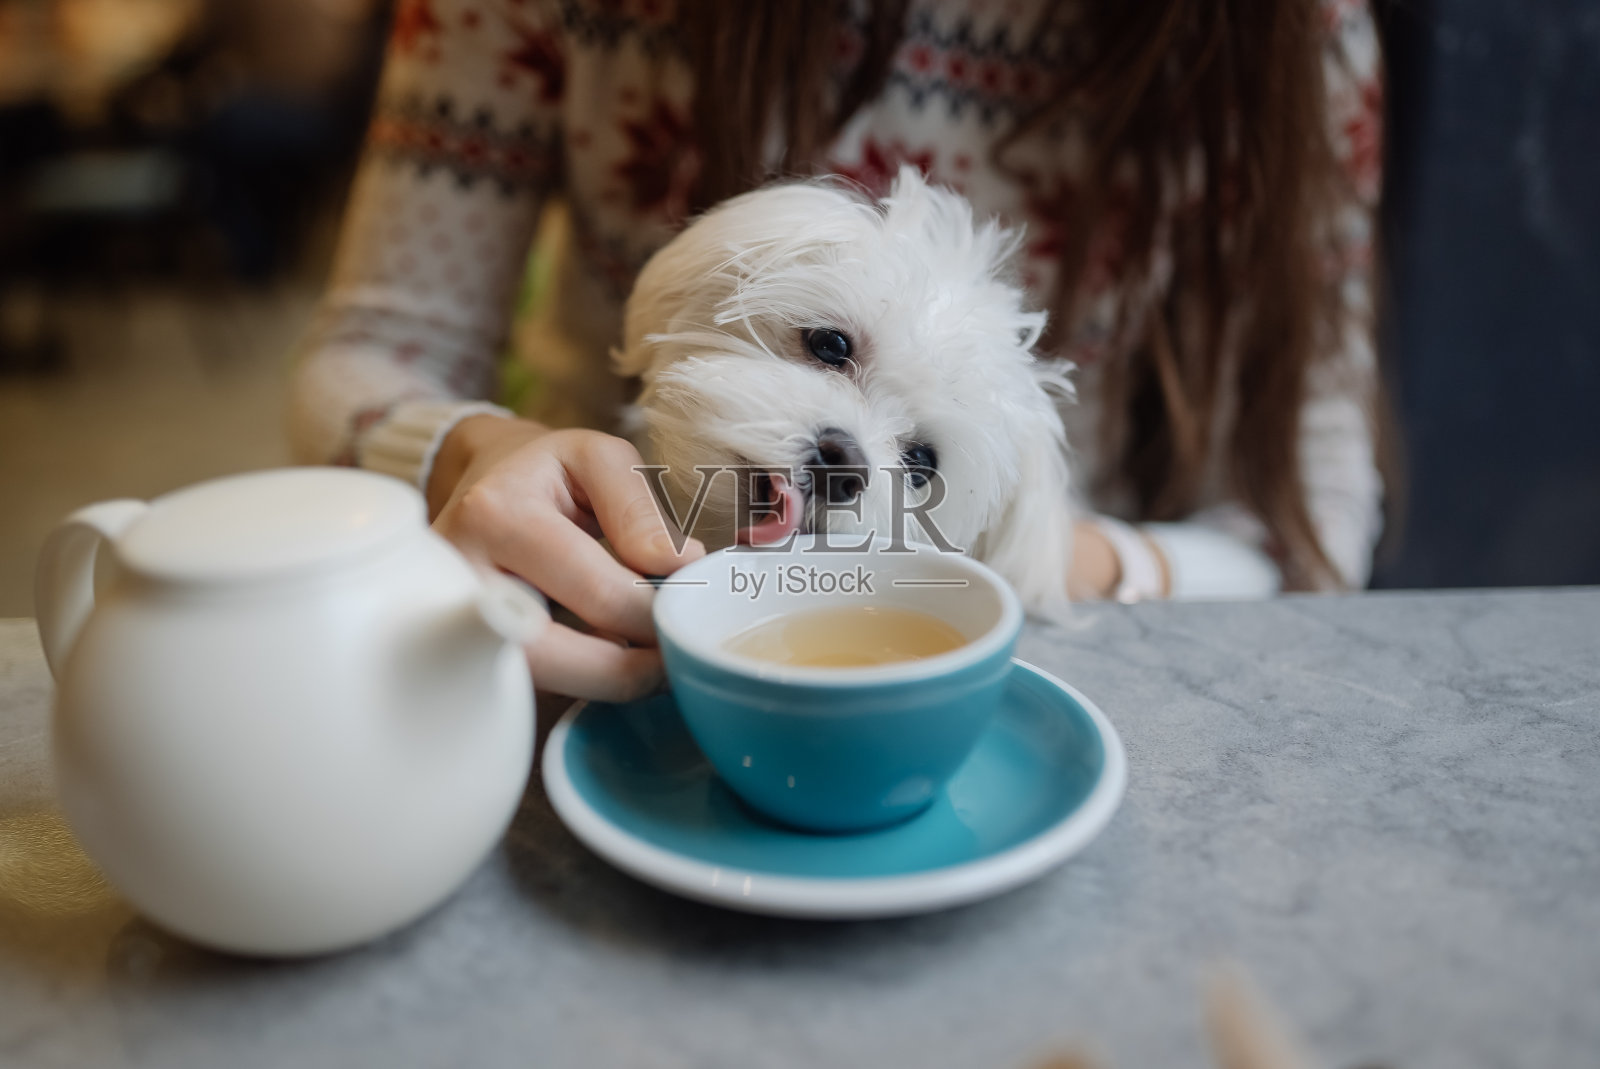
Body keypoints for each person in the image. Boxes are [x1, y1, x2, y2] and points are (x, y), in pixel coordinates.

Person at [289, 0, 1387, 701]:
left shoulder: (1295, 35)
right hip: (570, 623)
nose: (844, 461)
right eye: (824, 347)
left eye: (920, 460)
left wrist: (1072, 563)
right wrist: (475, 450)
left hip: (1001, 647)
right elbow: (369, 353)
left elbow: (1311, 511)